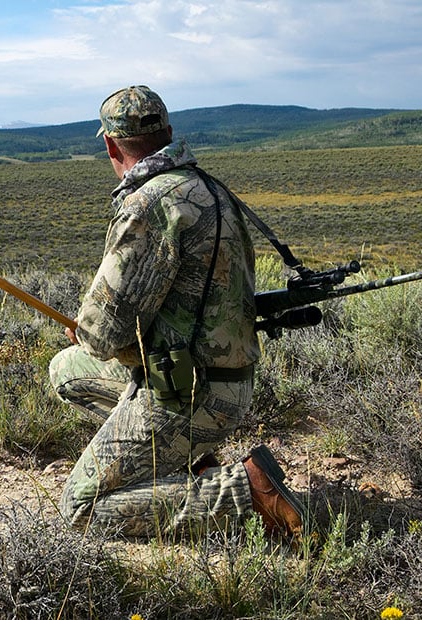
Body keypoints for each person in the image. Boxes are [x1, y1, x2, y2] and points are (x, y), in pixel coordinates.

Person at [50, 85, 307, 539]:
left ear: (111, 145)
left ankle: (246, 491)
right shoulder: (211, 188)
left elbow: (100, 334)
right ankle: (186, 459)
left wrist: (89, 333)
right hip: (227, 383)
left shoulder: (147, 205)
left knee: (80, 507)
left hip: (187, 396)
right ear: (168, 133)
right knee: (66, 369)